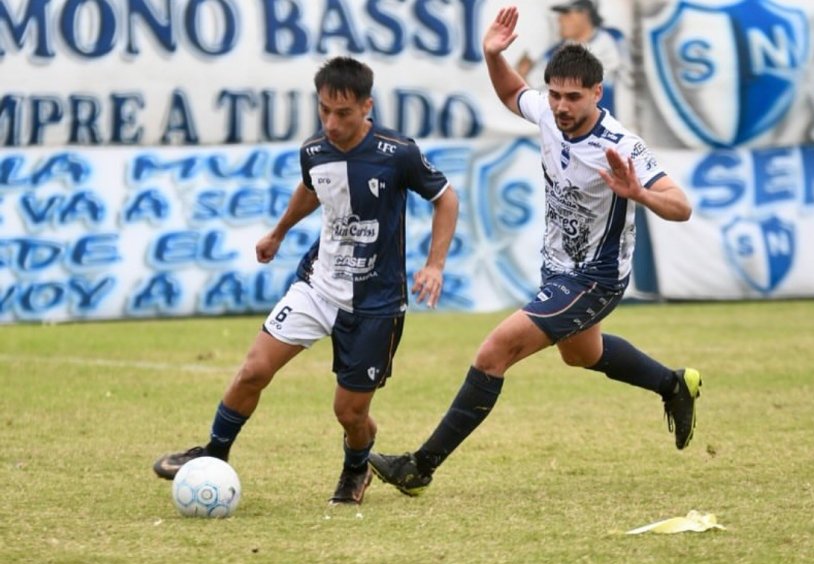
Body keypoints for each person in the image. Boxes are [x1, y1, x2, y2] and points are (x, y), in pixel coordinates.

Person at [368, 6, 701, 497]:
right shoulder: (547, 111)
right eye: (556, 95)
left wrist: (641, 194)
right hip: (558, 270)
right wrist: (491, 55)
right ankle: (674, 384)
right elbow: (509, 92)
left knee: (493, 352)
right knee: (583, 355)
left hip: (595, 278)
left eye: (573, 97)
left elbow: (681, 206)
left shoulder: (621, 145)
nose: (561, 106)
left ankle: (420, 466)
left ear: (596, 94)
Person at [152, 56, 459, 506]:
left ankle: (356, 470)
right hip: (317, 285)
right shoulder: (314, 150)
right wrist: (279, 232)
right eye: (324, 111)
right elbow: (312, 188)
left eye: (343, 113)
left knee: (350, 413)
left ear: (366, 107)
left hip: (375, 303)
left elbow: (445, 198)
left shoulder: (399, 154)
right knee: (253, 370)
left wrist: (435, 264)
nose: (331, 124)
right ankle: (214, 456)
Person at [516, 0, 632, 124]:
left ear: (584, 14)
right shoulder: (555, 53)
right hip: (574, 132)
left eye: (566, 13)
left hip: (613, 128)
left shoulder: (615, 38)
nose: (560, 19)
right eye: (560, 14)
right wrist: (522, 72)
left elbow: (632, 79)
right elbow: (532, 86)